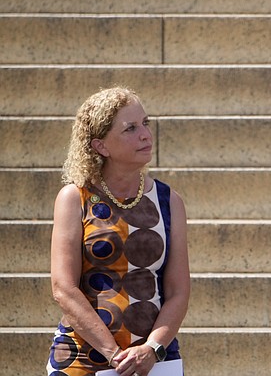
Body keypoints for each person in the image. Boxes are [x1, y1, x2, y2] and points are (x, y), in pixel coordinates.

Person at [47, 87, 190, 376]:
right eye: (131, 128)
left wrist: (152, 349)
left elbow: (178, 291)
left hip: (153, 359)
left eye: (146, 123)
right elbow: (64, 288)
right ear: (102, 146)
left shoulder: (168, 200)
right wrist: (115, 356)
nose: (146, 135)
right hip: (82, 358)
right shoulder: (75, 198)